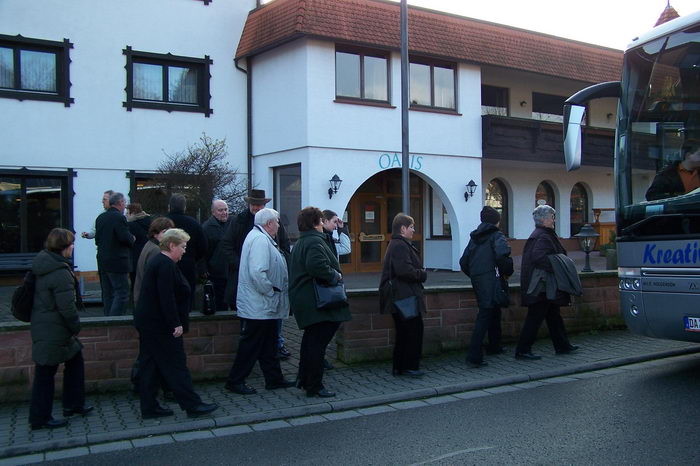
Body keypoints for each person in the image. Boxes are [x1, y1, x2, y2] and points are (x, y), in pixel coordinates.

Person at [133, 228, 218, 419]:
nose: (184, 250)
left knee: (150, 365)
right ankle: (192, 405)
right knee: (176, 365)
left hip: (150, 323)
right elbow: (166, 297)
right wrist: (175, 323)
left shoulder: (161, 263)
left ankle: (149, 407)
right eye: (182, 246)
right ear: (171, 245)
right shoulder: (165, 265)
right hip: (161, 326)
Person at [224, 208, 295, 395]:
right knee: (252, 343)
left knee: (269, 343)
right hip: (260, 303)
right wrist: (270, 291)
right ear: (269, 224)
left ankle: (274, 378)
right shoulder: (260, 241)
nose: (279, 225)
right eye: (277, 222)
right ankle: (235, 380)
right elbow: (257, 272)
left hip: (263, 304)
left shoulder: (261, 238)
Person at [29, 228, 93, 430]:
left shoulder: (45, 263)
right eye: (71, 244)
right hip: (54, 329)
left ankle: (73, 404)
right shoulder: (59, 272)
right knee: (45, 373)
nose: (73, 247)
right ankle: (40, 418)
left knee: (75, 361)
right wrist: (75, 326)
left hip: (47, 325)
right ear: (63, 247)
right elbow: (66, 307)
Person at [221, 189, 291, 360]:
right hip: (250, 280)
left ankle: (275, 349)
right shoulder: (240, 222)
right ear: (249, 204)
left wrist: (282, 266)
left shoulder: (273, 222)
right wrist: (241, 265)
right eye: (254, 204)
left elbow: (284, 245)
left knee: (272, 324)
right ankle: (250, 364)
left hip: (268, 280)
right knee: (252, 327)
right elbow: (227, 246)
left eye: (260, 204)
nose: (257, 207)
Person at [289, 206, 351, 397]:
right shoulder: (315, 242)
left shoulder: (303, 241)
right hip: (317, 301)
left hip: (307, 299)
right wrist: (336, 276)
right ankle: (314, 385)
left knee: (310, 342)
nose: (323, 223)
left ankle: (305, 379)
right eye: (321, 220)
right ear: (317, 223)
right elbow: (317, 266)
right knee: (317, 345)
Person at [515, 205, 579, 360]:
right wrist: (557, 267)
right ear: (543, 219)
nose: (554, 220)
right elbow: (538, 257)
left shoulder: (541, 234)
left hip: (543, 284)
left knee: (553, 315)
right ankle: (523, 350)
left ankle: (562, 345)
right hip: (542, 285)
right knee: (536, 317)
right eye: (552, 217)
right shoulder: (543, 236)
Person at [459, 206, 513, 368]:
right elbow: (502, 256)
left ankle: (494, 346)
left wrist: (476, 275)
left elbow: (463, 262)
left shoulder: (474, 238)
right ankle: (474, 356)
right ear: (497, 221)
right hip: (492, 279)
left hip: (479, 280)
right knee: (485, 314)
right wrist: (506, 272)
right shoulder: (497, 236)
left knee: (492, 311)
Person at [379, 213, 427, 377]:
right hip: (404, 296)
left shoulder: (398, 244)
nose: (414, 230)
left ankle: (401, 367)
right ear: (403, 228)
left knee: (405, 332)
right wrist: (421, 274)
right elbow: (404, 270)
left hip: (402, 295)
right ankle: (408, 367)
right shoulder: (400, 245)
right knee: (411, 331)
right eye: (411, 227)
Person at [95, 192, 135, 316]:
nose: (125, 206)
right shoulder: (119, 218)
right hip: (117, 261)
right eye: (125, 203)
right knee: (122, 293)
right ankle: (115, 321)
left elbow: (97, 240)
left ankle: (107, 320)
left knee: (107, 294)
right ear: (120, 203)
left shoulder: (100, 218)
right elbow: (124, 238)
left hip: (102, 260)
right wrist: (132, 238)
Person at [166, 193, 208, 311]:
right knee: (186, 299)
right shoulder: (194, 224)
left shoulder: (163, 223)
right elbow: (203, 246)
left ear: (169, 206)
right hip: (188, 266)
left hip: (166, 265)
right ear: (184, 207)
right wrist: (193, 258)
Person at [133, 217, 174, 308]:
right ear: (155, 234)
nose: (169, 236)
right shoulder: (156, 250)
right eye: (164, 232)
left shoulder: (150, 245)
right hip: (148, 301)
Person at [202, 199, 231, 312]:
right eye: (220, 210)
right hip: (216, 272)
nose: (224, 212)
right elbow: (203, 251)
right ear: (213, 212)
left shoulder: (232, 223)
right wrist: (203, 269)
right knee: (220, 301)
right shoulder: (207, 228)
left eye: (225, 209)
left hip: (230, 270)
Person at [126, 202, 152, 295]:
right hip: (149, 253)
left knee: (136, 283)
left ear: (132, 213)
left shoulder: (131, 225)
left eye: (127, 212)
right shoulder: (149, 220)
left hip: (135, 255)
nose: (126, 215)